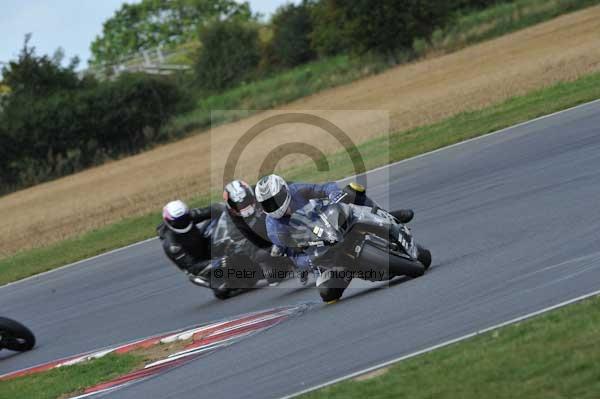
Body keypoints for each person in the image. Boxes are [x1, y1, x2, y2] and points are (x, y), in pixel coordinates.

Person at [254, 174, 414, 282]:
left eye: (275, 200)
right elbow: (293, 256)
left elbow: (325, 188)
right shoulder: (274, 229)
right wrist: (309, 262)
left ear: (284, 190)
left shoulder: (297, 190)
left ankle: (385, 216)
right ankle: (362, 271)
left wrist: (334, 195)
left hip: (327, 218)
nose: (274, 206)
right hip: (317, 250)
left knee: (353, 191)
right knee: (327, 293)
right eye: (268, 204)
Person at [157, 200, 224, 278]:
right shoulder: (172, 244)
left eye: (184, 218)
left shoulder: (189, 217)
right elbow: (192, 267)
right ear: (168, 220)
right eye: (178, 221)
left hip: (202, 243)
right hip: (198, 264)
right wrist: (221, 262)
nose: (182, 222)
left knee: (216, 219)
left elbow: (215, 208)